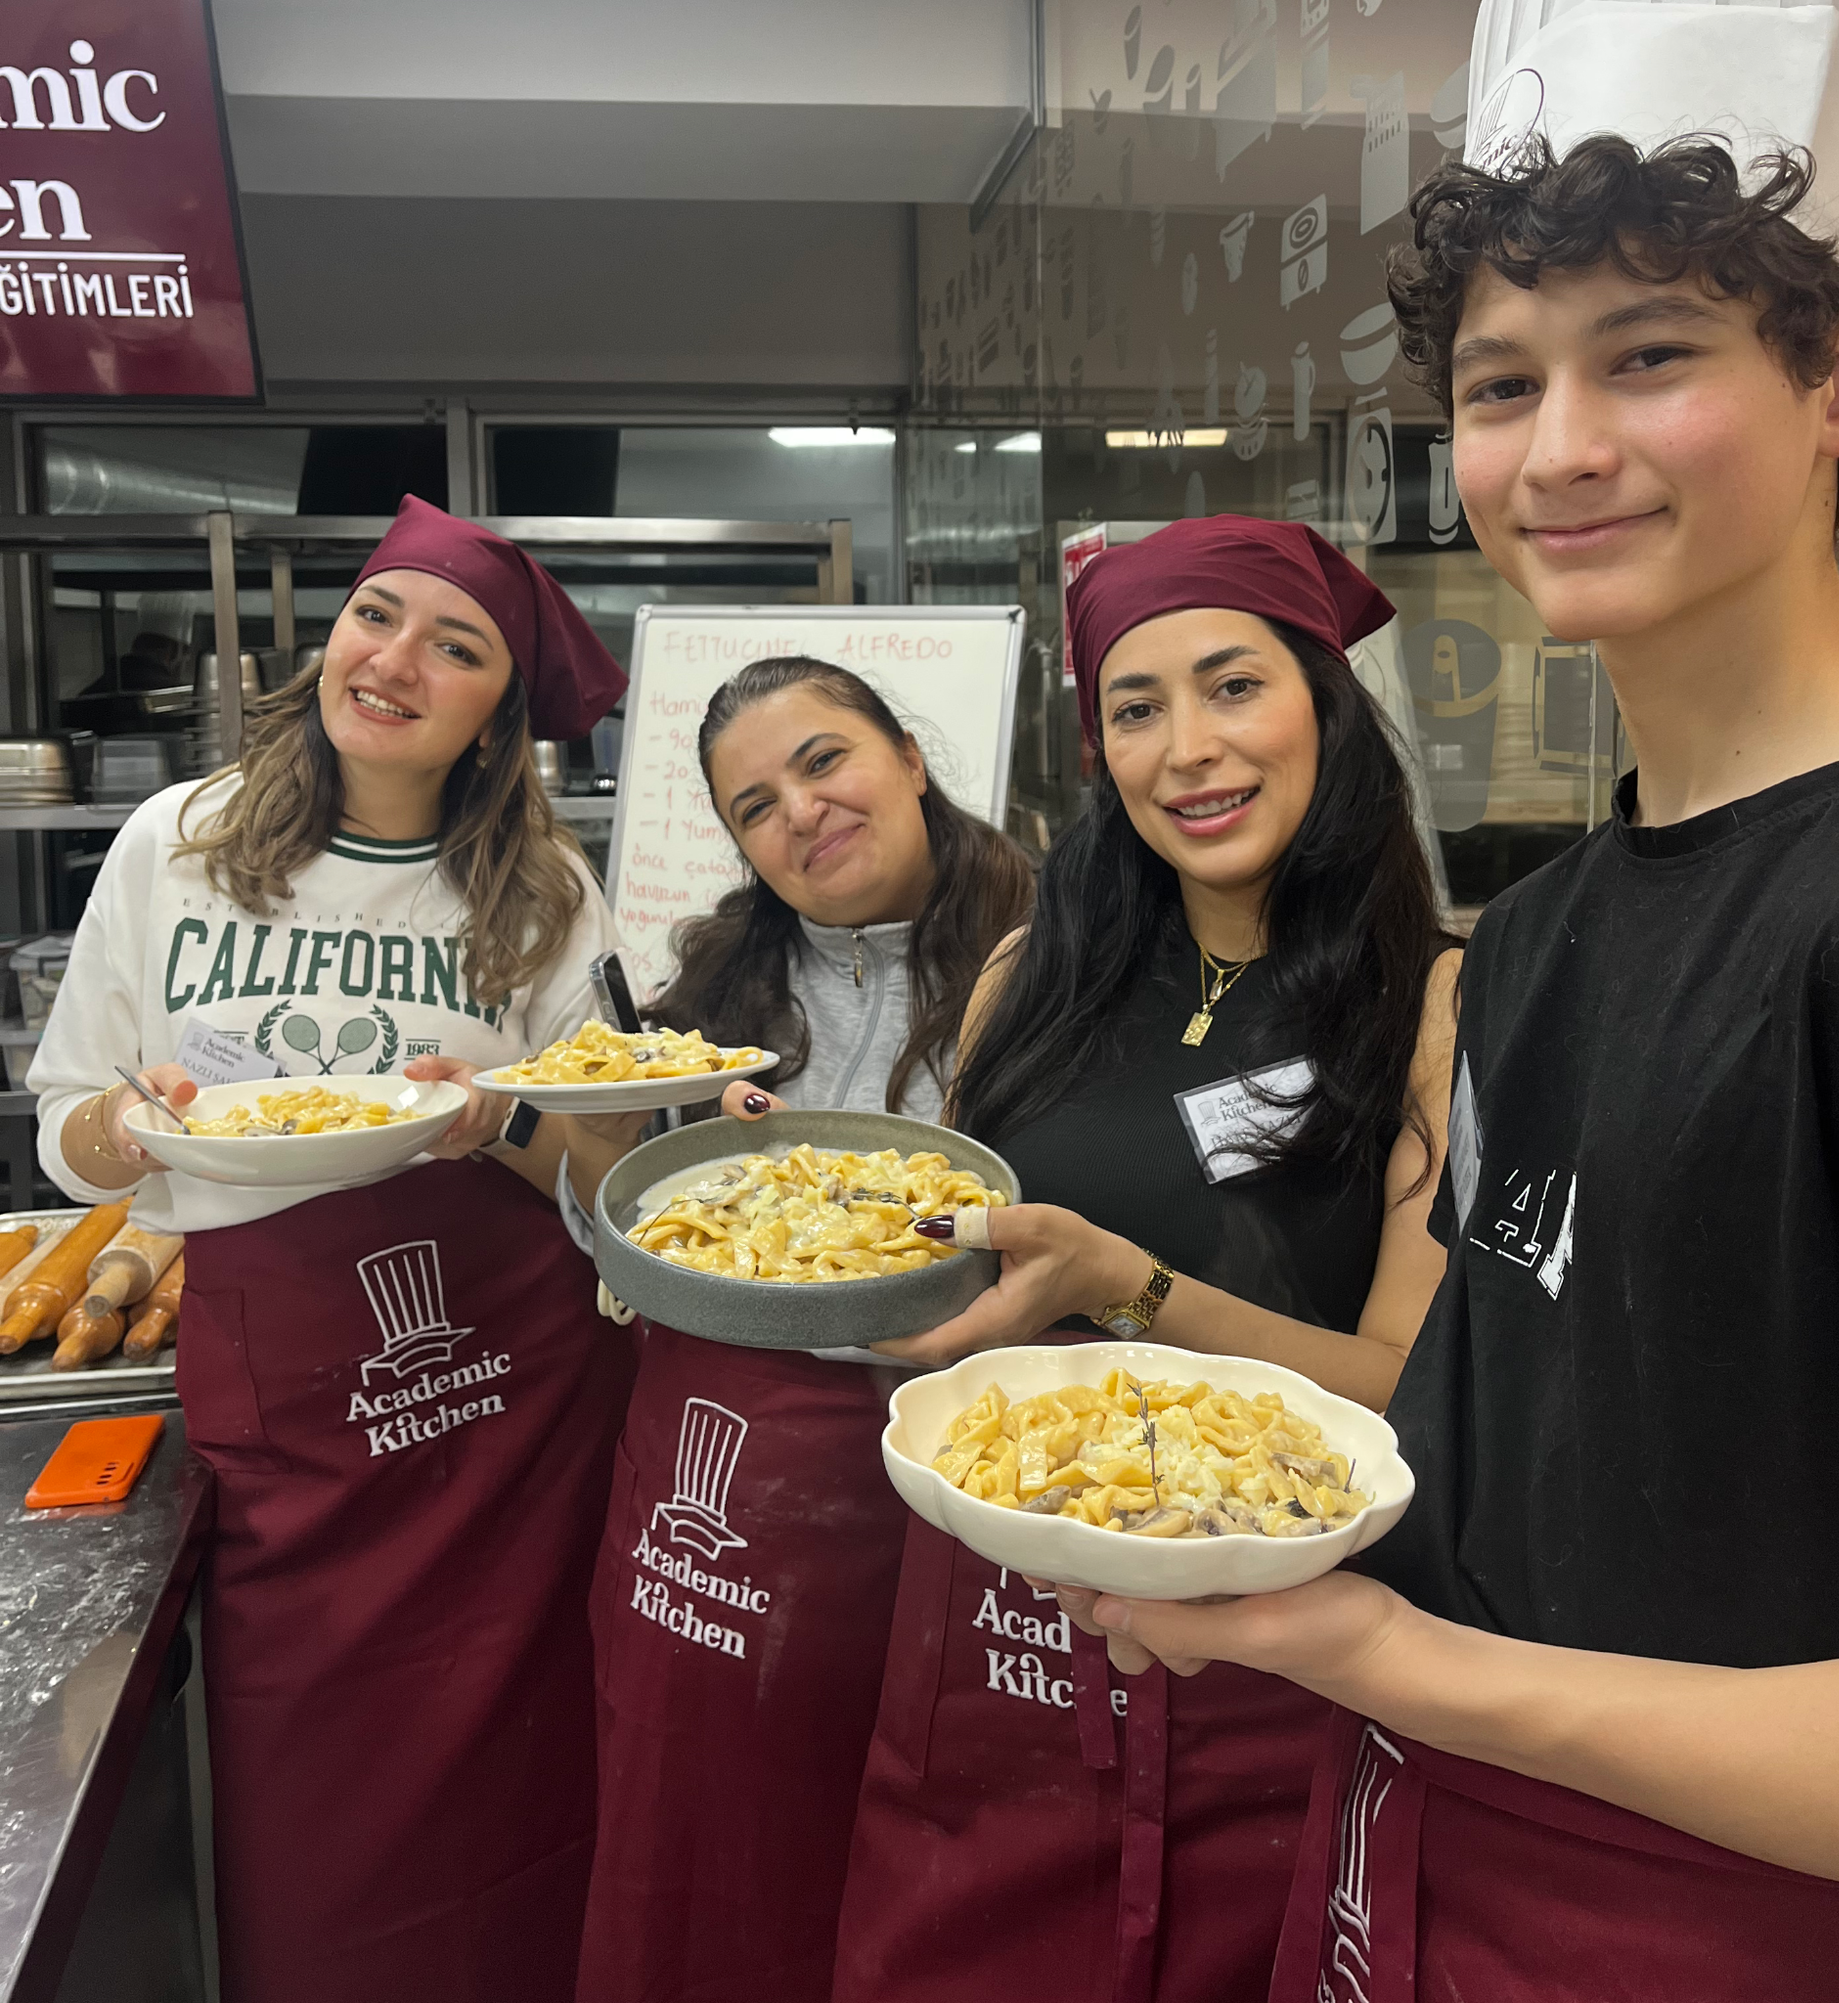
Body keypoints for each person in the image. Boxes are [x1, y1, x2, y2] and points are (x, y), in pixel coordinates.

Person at [1052, 138, 1839, 2000]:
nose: (1559, 450)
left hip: (1732, 1929)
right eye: (1501, 387)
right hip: (1404, 1865)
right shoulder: (1541, 933)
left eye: (1649, 356)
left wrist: (1400, 1662)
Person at [830, 516, 1463, 2003]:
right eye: (1136, 707)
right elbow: (952, 1271)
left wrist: (1132, 1286)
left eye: (1234, 686)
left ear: (1325, 706)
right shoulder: (1029, 971)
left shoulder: (1434, 1004)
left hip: (1274, 1656)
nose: (1187, 750)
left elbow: (1400, 1387)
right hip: (995, 1628)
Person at [30, 496, 636, 2003]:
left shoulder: (543, 894)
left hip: (509, 1415)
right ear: (331, 637)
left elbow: (612, 1171)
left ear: (500, 713)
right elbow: (65, 1128)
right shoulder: (179, 841)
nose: (397, 662)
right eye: (378, 615)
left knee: (526, 1794)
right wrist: (131, 1126)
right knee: (310, 1821)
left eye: (459, 647)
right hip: (284, 1400)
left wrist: (498, 1117)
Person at [554, 655, 1034, 2003]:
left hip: (978, 1462)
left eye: (825, 761)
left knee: (949, 1876)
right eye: (754, 806)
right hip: (725, 1473)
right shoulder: (707, 1001)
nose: (802, 813)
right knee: (709, 1857)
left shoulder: (1064, 957)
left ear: (910, 757)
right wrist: (602, 1144)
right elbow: (623, 1239)